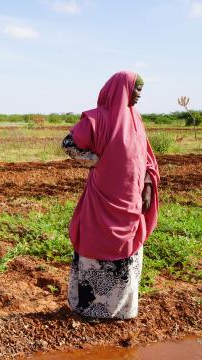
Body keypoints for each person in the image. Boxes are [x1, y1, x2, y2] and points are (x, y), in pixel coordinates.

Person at [62, 71, 160, 319]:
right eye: (136, 89)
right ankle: (89, 308)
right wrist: (96, 160)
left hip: (131, 199)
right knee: (97, 243)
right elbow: (69, 143)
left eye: (141, 91)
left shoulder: (136, 118)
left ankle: (120, 310)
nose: (139, 95)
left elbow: (146, 157)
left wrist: (147, 185)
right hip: (102, 199)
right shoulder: (97, 118)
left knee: (126, 247)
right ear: (122, 89)